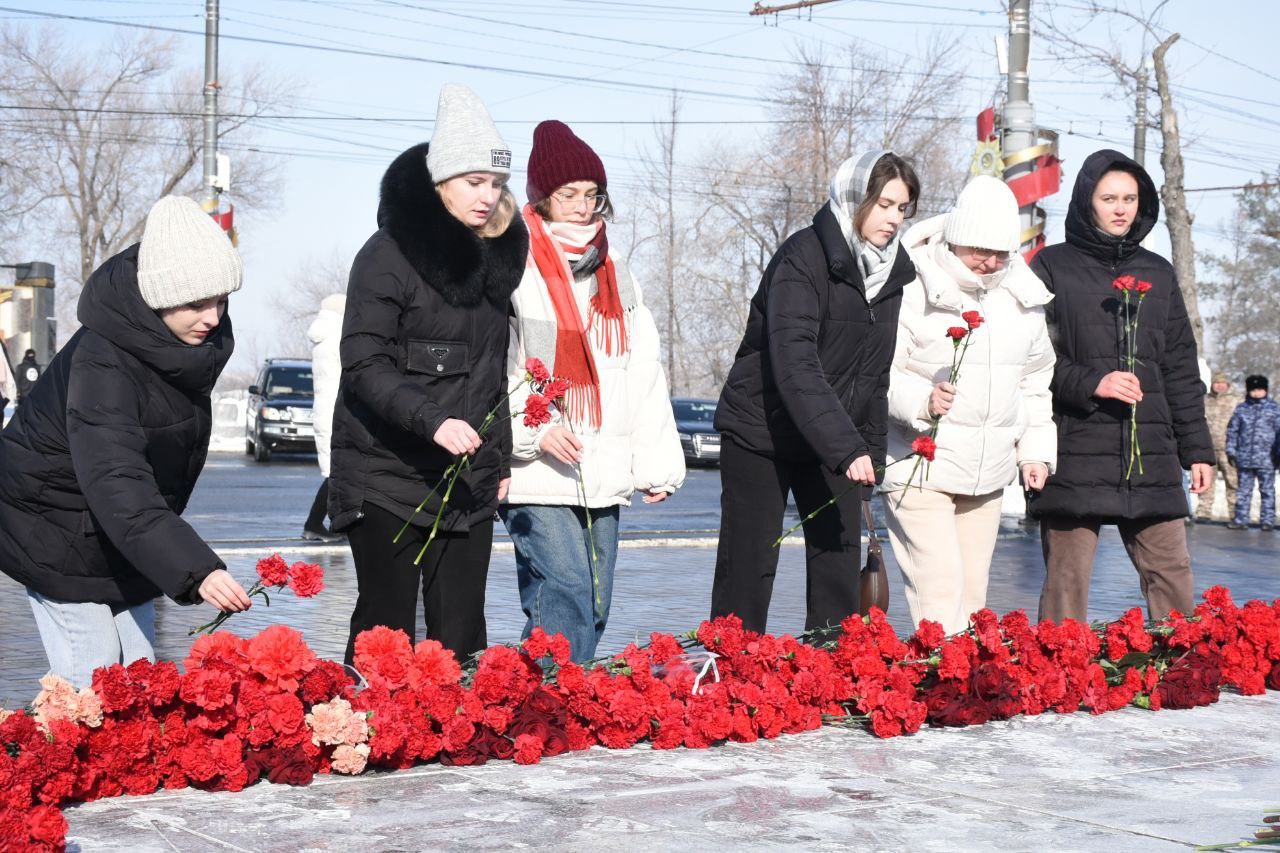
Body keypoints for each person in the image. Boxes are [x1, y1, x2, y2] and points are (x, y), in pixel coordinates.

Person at [0, 196, 252, 688]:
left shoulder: (184, 349)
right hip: (53, 526)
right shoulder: (104, 362)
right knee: (92, 678)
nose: (213, 317)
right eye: (196, 303)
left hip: (116, 533)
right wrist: (196, 570)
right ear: (159, 297)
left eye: (221, 300)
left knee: (139, 673)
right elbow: (119, 481)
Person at [329, 84, 527, 666]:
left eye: (497, 183)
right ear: (441, 180)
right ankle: (360, 720)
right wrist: (433, 419)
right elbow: (363, 363)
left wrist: (498, 459)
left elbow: (491, 375)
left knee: (461, 641)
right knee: (385, 637)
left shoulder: (494, 261)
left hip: (465, 481)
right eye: (474, 181)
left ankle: (457, 722)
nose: (488, 196)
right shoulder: (387, 255)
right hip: (385, 476)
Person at [711, 150, 919, 634]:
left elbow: (874, 375)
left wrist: (870, 455)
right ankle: (731, 669)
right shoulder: (803, 257)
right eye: (883, 204)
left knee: (837, 569)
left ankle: (828, 669)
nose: (894, 218)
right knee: (748, 570)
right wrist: (847, 447)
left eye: (902, 208)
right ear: (854, 198)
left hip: (832, 440)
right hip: (762, 431)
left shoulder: (890, 273)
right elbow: (796, 363)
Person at [501, 121, 685, 663]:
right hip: (538, 469)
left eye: (592, 194)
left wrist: (656, 463)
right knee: (567, 592)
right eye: (569, 194)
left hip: (600, 469)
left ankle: (538, 692)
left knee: (595, 602)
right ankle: (550, 700)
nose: (582, 208)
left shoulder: (616, 271)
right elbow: (497, 365)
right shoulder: (514, 265)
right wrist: (535, 430)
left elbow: (641, 370)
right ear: (542, 197)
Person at [1029, 149, 1214, 623]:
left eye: (1129, 199)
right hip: (1076, 447)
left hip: (1150, 452)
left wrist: (1197, 450)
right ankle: (1060, 663)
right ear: (1086, 200)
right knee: (1066, 582)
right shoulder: (1051, 267)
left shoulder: (1159, 272)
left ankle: (1179, 661)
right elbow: (1030, 360)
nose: (1120, 209)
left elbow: (1180, 368)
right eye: (1108, 198)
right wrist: (1094, 382)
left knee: (1172, 576)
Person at [883, 176, 1056, 635]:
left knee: (972, 598)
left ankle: (960, 677)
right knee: (940, 596)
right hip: (920, 467)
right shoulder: (912, 284)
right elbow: (880, 371)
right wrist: (921, 400)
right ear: (956, 236)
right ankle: (941, 674)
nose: (990, 262)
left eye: (1001, 252)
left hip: (988, 474)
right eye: (980, 249)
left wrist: (1035, 452)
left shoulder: (1024, 296)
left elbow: (1035, 382)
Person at [302, 293, 346, 542]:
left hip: (325, 410)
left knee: (337, 471)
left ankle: (333, 525)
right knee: (336, 472)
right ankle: (314, 524)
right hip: (335, 412)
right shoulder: (339, 335)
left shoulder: (324, 335)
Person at [1225, 374, 1280, 530]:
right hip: (1244, 458)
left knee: (1267, 490)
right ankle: (1241, 520)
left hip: (1267, 459)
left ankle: (1267, 521)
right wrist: (1231, 450)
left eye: (1260, 390)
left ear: (1266, 390)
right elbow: (1232, 431)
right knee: (1243, 491)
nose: (1256, 393)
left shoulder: (1274, 408)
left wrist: (1278, 454)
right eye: (1253, 390)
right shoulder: (1241, 409)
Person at [1196, 371, 1239, 522]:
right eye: (1217, 383)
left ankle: (1235, 513)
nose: (1220, 386)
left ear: (1228, 385)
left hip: (1229, 449)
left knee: (1233, 482)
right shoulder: (1204, 400)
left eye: (1223, 383)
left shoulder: (1236, 401)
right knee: (1206, 481)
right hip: (1208, 449)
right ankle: (1204, 512)